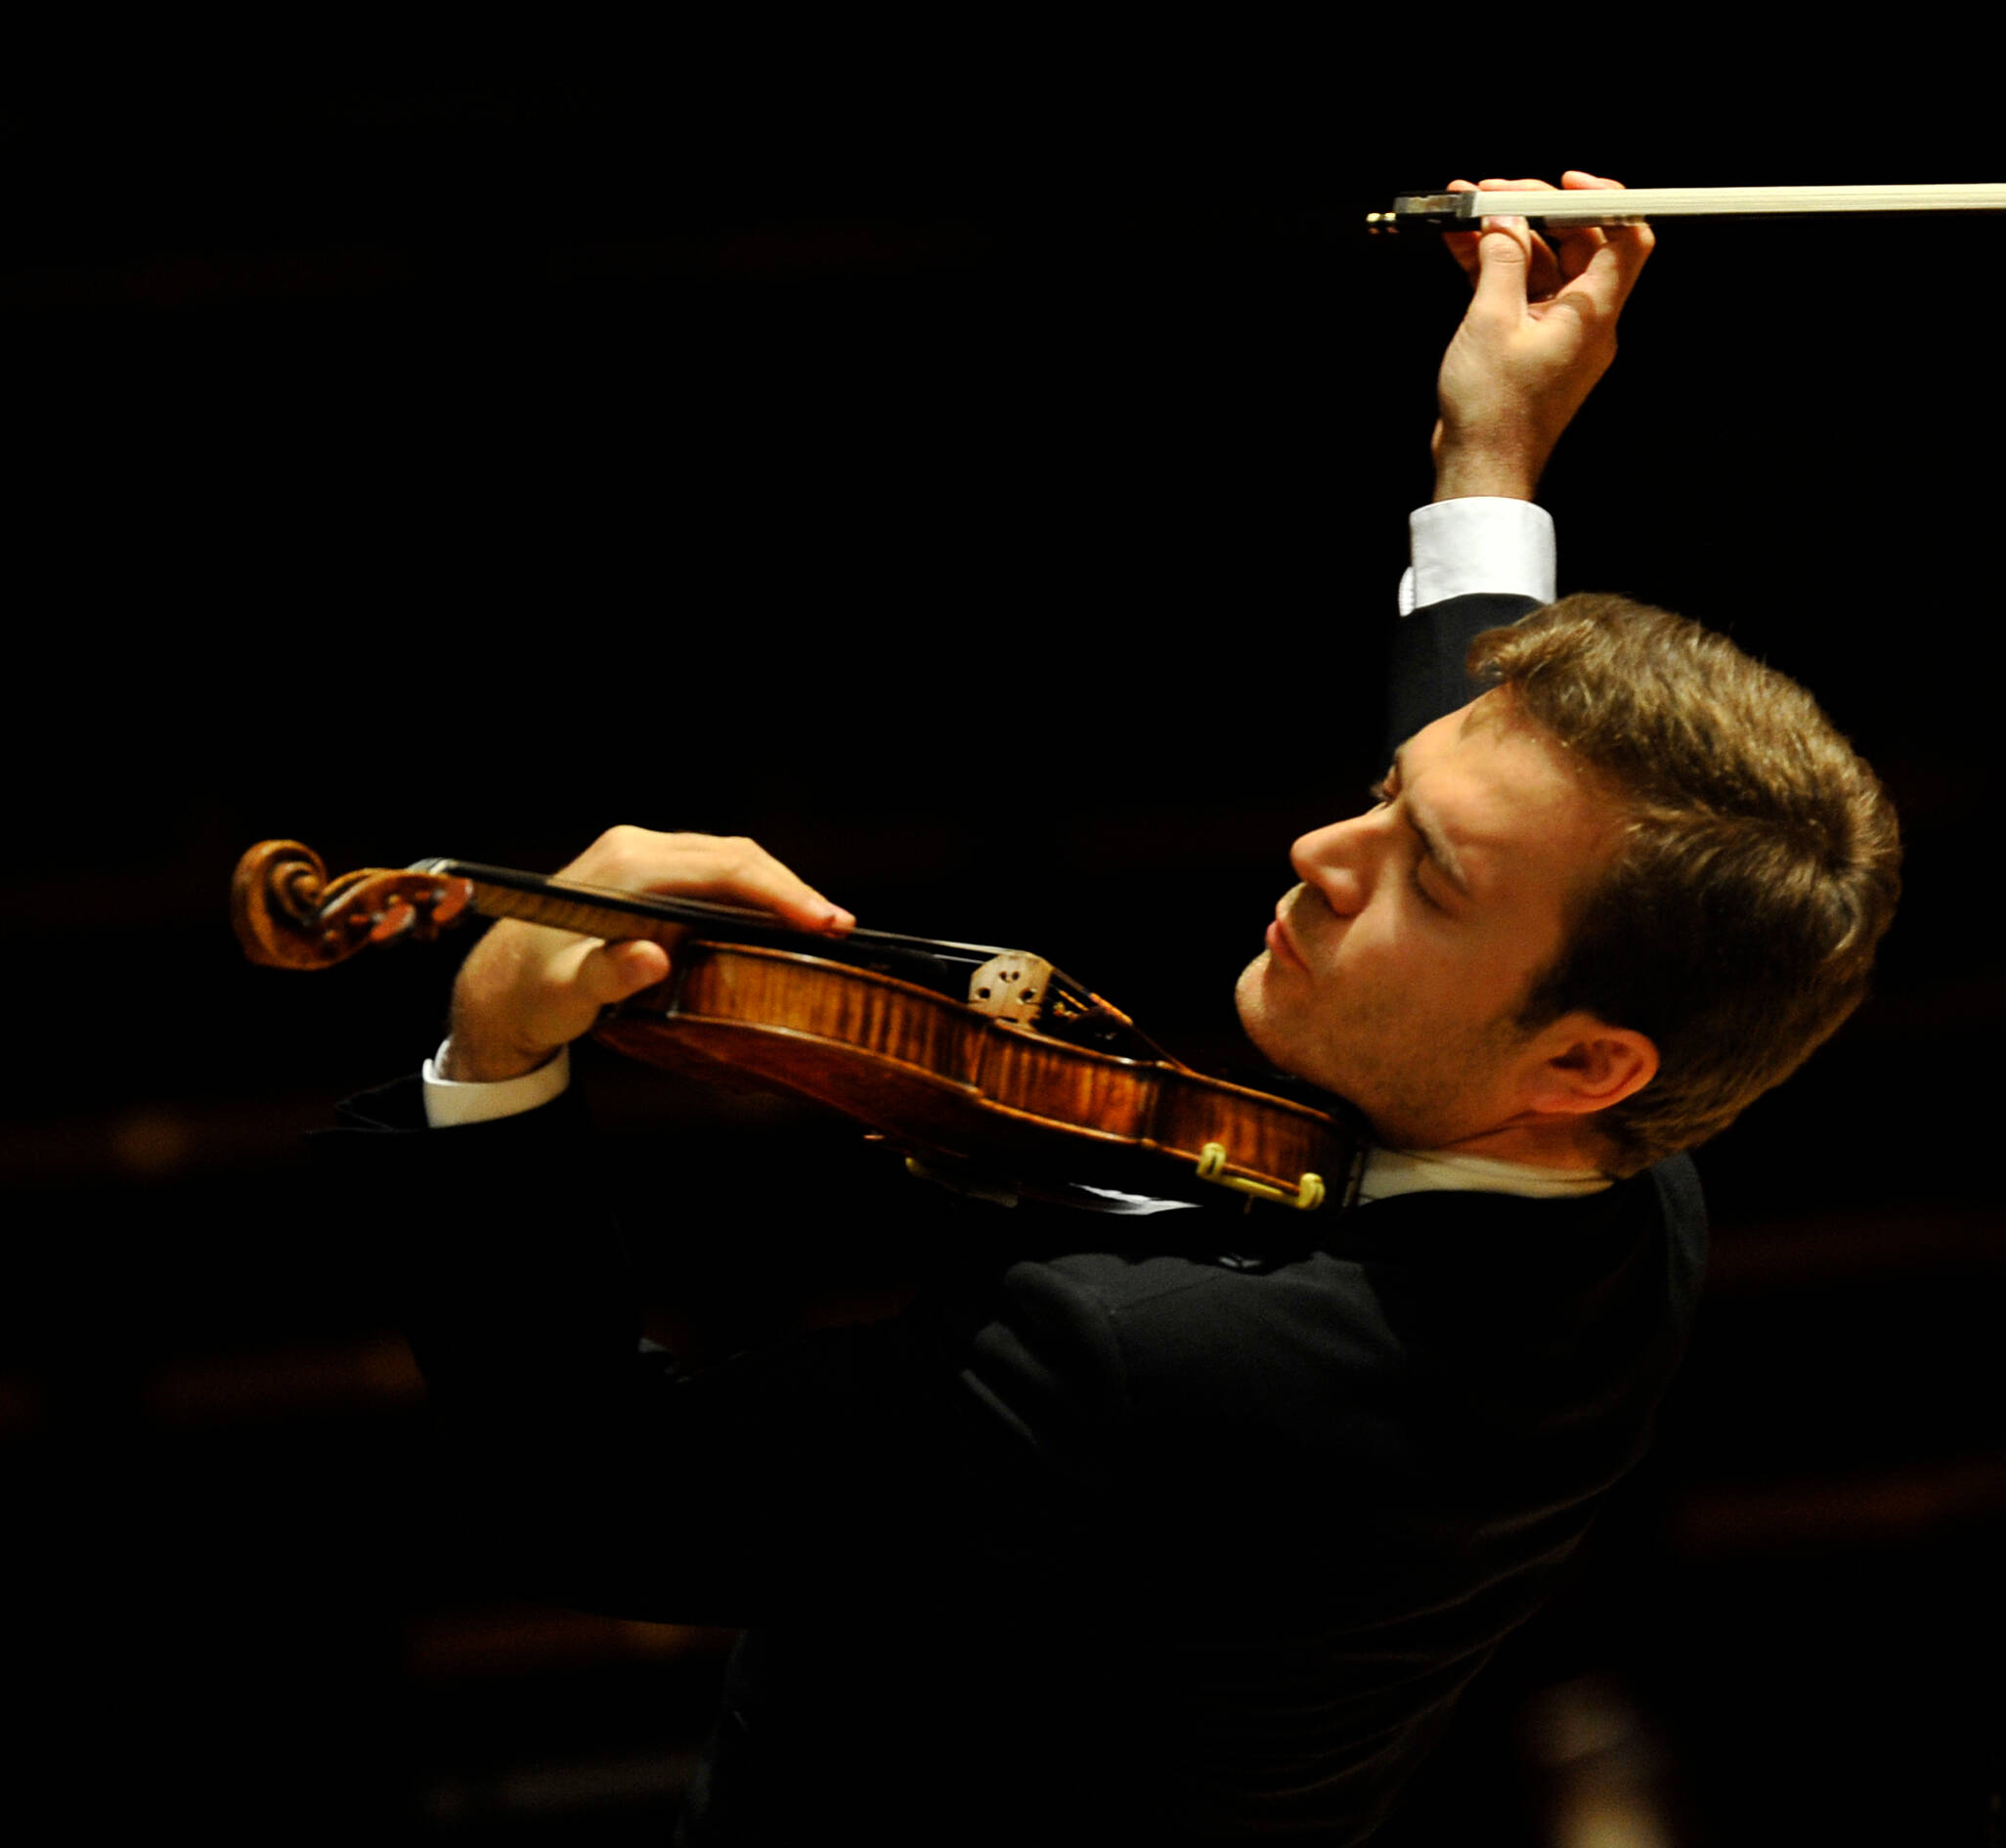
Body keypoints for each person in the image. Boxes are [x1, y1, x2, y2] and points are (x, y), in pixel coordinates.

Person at [323, 171, 1902, 1843]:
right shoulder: (1635, 1193)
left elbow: (605, 1493)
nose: (1316, 849)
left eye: (1420, 875)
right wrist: (1489, 455)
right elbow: (1499, 779)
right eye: (1382, 789)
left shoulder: (1144, 1370)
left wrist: (491, 1066)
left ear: (1583, 1057)